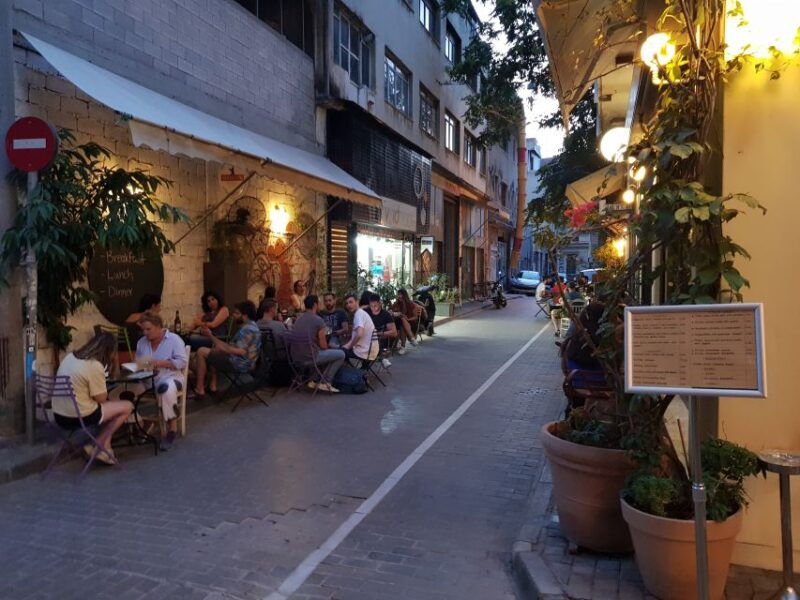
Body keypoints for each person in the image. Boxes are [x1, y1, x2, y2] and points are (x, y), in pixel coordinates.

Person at [54, 332, 133, 465]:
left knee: (110, 410)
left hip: (60, 415)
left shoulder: (70, 357)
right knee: (127, 406)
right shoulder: (94, 366)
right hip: (79, 417)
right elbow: (101, 399)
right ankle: (97, 444)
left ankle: (106, 449)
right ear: (109, 351)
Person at [135, 314, 188, 451]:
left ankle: (172, 429)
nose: (145, 333)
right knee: (123, 390)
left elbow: (182, 362)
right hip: (147, 379)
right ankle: (141, 423)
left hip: (170, 376)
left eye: (148, 329)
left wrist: (161, 363)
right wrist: (138, 366)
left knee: (166, 389)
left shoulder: (174, 340)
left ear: (158, 327)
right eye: (143, 330)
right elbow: (139, 363)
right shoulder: (142, 342)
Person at [193, 301, 261, 398]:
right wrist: (219, 345)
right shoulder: (251, 326)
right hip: (244, 361)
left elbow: (239, 351)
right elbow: (234, 347)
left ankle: (199, 389)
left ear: (245, 315)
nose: (233, 315)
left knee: (201, 351)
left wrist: (211, 336)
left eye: (237, 313)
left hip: (240, 363)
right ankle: (213, 385)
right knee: (215, 349)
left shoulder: (247, 330)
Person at [291, 295, 345, 393]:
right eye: (320, 303)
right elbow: (324, 346)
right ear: (315, 305)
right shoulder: (318, 320)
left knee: (318, 351)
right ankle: (326, 382)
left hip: (296, 358)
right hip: (311, 358)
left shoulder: (298, 320)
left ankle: (314, 379)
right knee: (341, 354)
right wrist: (331, 347)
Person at [342, 293, 376, 362]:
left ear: (357, 302)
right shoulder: (360, 313)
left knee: (339, 353)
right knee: (342, 348)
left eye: (351, 302)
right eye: (346, 303)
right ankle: (358, 369)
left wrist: (349, 346)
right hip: (370, 349)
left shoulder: (358, 314)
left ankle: (352, 371)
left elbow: (359, 334)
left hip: (365, 352)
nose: (348, 305)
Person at [367, 293, 397, 368]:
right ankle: (381, 358)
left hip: (380, 340)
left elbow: (394, 332)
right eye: (371, 306)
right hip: (366, 338)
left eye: (375, 306)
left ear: (380, 303)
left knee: (372, 346)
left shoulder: (386, 315)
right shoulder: (366, 312)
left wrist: (379, 333)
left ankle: (364, 371)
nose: (373, 308)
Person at [390, 288, 420, 355]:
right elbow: (391, 311)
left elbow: (415, 317)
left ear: (404, 295)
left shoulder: (411, 304)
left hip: (411, 323)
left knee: (402, 323)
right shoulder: (396, 303)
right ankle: (411, 338)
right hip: (398, 322)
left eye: (401, 294)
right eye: (398, 294)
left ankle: (403, 346)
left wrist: (407, 319)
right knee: (402, 319)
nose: (399, 296)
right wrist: (394, 312)